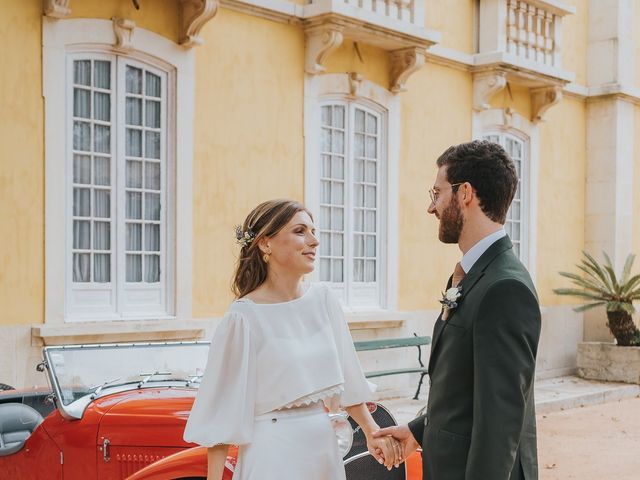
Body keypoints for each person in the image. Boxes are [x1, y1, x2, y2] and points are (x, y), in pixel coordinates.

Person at [183, 199, 402, 480]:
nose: (314, 241)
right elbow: (221, 412)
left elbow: (350, 379)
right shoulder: (243, 318)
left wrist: (373, 433)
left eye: (313, 231)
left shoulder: (324, 300)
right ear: (265, 244)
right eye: (300, 231)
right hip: (272, 455)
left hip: (323, 450)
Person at [375, 140, 542, 479]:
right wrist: (419, 431)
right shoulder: (475, 274)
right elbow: (465, 391)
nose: (431, 208)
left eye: (436, 193)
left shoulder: (504, 288)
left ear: (465, 193)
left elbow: (499, 423)